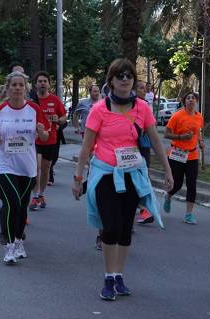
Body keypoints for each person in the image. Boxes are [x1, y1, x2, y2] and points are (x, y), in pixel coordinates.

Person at [72, 58, 173, 301]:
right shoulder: (100, 110)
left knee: (126, 228)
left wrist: (168, 170)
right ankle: (108, 276)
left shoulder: (142, 108)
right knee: (112, 226)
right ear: (111, 81)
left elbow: (156, 141)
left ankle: (118, 275)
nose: (125, 79)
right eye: (120, 76)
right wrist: (78, 177)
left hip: (132, 174)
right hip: (106, 173)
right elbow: (87, 147)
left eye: (129, 76)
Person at [0, 71, 50, 264]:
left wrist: (42, 132)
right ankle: (9, 246)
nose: (17, 88)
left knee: (22, 207)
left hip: (28, 167)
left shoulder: (33, 109)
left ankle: (19, 239)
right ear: (8, 88)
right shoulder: (0, 110)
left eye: (20, 85)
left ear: (26, 88)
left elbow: (45, 135)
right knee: (12, 203)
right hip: (5, 164)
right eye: (13, 85)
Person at [162, 92, 204, 224]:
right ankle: (168, 196)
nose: (191, 100)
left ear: (196, 102)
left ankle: (189, 214)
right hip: (177, 154)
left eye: (193, 98)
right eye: (188, 98)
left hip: (192, 155)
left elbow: (198, 132)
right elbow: (166, 134)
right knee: (177, 183)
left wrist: (200, 142)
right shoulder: (177, 116)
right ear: (184, 101)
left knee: (192, 184)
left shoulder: (199, 116)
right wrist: (180, 137)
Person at [29, 71, 67, 210]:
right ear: (35, 85)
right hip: (34, 140)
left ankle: (40, 194)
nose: (42, 83)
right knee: (36, 168)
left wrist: (58, 120)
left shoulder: (55, 100)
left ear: (49, 84)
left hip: (50, 140)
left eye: (45, 81)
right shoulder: (31, 102)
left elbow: (63, 117)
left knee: (45, 169)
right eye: (40, 81)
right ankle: (34, 196)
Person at [135, 80, 155, 224]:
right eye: (141, 88)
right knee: (136, 178)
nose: (144, 91)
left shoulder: (146, 106)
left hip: (145, 146)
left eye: (145, 89)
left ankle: (144, 209)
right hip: (133, 147)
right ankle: (143, 209)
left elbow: (151, 128)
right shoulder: (130, 105)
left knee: (143, 177)